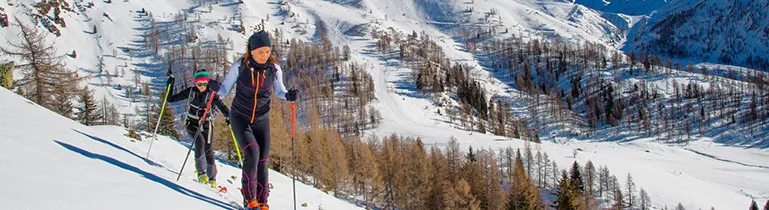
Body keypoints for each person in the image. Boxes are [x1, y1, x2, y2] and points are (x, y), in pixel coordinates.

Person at [218, 30, 298, 210]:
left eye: (268, 51)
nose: (265, 55)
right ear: (251, 51)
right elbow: (224, 89)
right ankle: (249, 199)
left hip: (262, 119)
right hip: (240, 117)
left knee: (262, 159)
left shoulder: (274, 69)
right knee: (252, 153)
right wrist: (214, 87)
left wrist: (289, 95)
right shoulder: (240, 66)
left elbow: (279, 91)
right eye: (261, 51)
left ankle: (262, 202)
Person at [166, 69, 230, 188]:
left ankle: (212, 178)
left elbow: (222, 106)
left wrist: (229, 116)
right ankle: (201, 173)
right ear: (195, 83)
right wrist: (170, 84)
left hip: (206, 123)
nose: (201, 86)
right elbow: (171, 99)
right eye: (199, 84)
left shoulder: (212, 94)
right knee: (199, 141)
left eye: (204, 83)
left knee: (209, 149)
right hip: (192, 122)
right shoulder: (190, 92)